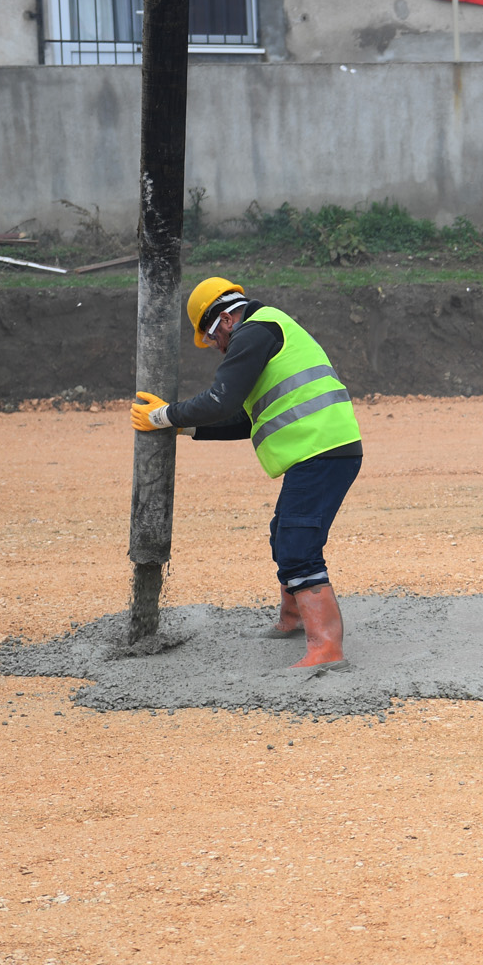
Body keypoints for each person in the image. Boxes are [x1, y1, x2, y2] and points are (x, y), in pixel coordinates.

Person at [129, 278, 364, 671]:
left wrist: (163, 415)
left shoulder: (254, 332)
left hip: (322, 450)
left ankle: (326, 650)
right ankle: (292, 621)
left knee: (298, 545)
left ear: (224, 319)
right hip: (321, 450)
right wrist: (183, 426)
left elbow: (220, 400)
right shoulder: (266, 331)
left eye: (212, 339)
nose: (217, 348)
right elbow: (244, 418)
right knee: (284, 534)